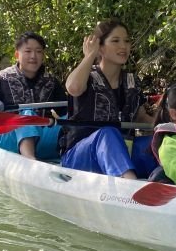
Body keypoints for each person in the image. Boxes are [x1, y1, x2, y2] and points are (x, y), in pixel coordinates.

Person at [60, 19, 155, 178]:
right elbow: (73, 88)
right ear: (100, 47)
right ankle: (129, 183)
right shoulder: (87, 77)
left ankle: (171, 180)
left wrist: (166, 127)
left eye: (126, 41)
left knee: (157, 141)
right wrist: (90, 55)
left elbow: (140, 116)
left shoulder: (132, 80)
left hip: (122, 151)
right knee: (108, 133)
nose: (123, 46)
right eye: (115, 41)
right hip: (81, 156)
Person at [0, 32, 67, 159]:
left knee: (68, 122)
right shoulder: (2, 79)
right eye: (28, 51)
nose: (33, 56)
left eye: (38, 51)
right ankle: (30, 158)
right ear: (17, 55)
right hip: (9, 140)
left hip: (42, 141)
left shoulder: (51, 82)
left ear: (43, 55)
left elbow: (65, 111)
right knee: (27, 115)